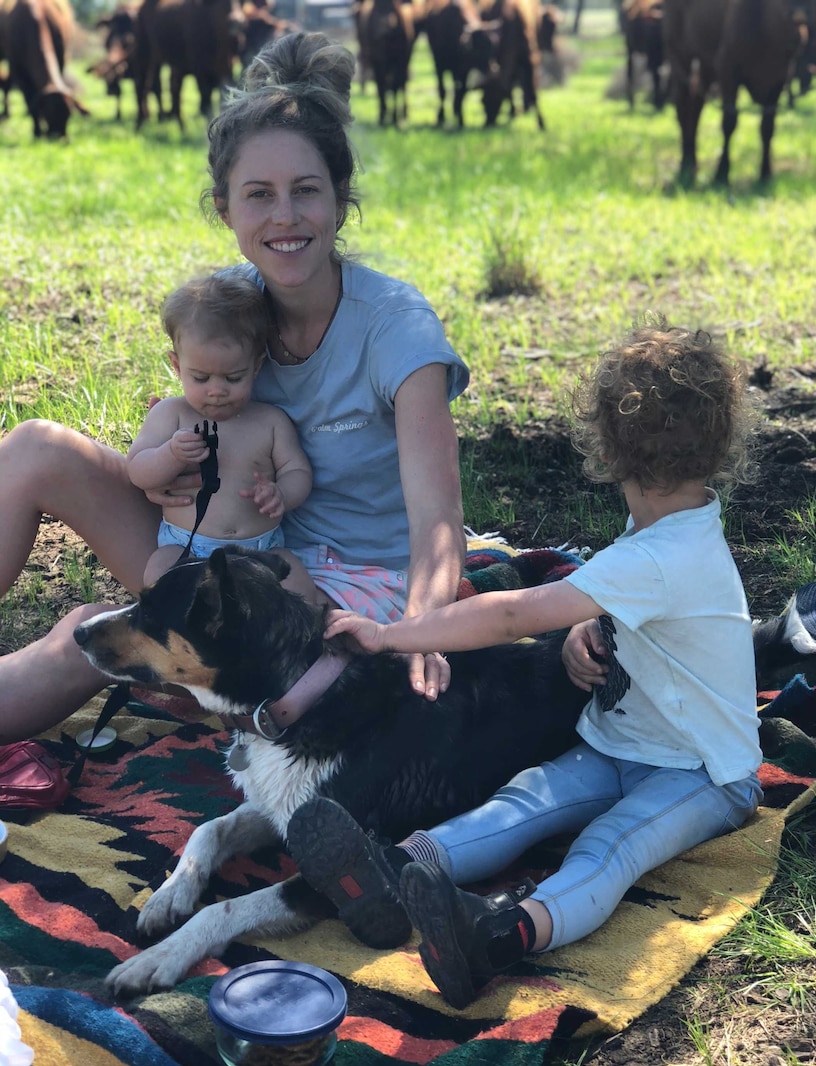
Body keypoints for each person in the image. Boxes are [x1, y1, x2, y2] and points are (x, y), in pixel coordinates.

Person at [0, 30, 467, 746]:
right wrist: (168, 469)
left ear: (341, 201)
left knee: (85, 636)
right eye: (259, 195)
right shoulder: (229, 312)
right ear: (226, 209)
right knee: (35, 445)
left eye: (306, 191)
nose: (284, 216)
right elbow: (165, 433)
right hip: (216, 546)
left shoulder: (396, 329)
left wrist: (424, 630)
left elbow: (438, 520)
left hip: (326, 596)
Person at [286, 319, 764, 1009]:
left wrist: (393, 635)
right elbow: (624, 603)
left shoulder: (659, 553)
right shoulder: (671, 524)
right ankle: (389, 874)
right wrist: (582, 628)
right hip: (625, 740)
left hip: (707, 772)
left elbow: (511, 615)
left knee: (609, 846)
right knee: (519, 803)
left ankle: (500, 934)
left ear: (608, 447)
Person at [129, 272, 312, 586]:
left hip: (262, 549)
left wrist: (281, 492)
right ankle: (171, 634)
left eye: (233, 377)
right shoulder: (170, 414)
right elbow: (137, 470)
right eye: (200, 378)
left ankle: (298, 634)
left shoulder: (270, 421)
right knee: (159, 572)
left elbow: (298, 471)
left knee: (297, 581)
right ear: (177, 366)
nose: (217, 390)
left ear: (256, 367)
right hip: (187, 546)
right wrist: (170, 454)